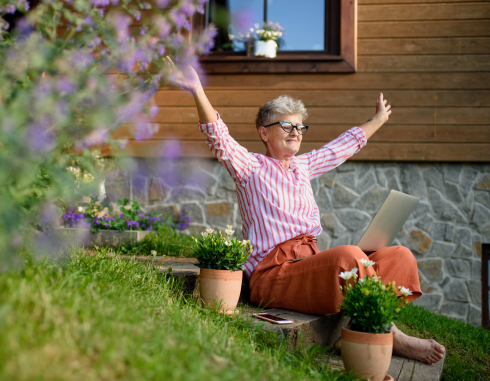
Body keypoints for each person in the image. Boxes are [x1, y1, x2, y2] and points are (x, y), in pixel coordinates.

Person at [166, 57, 445, 365]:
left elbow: (341, 147)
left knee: (399, 256)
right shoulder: (250, 167)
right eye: (287, 125)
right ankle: (388, 333)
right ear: (264, 133)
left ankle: (355, 331)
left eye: (300, 126)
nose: (296, 131)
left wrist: (378, 119)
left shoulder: (303, 166)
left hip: (309, 263)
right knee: (348, 257)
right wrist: (196, 90)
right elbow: (218, 137)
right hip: (273, 274)